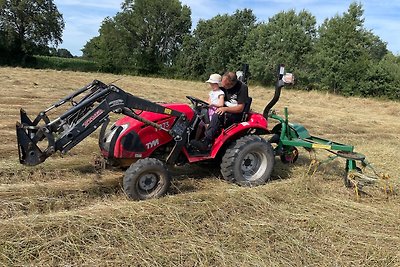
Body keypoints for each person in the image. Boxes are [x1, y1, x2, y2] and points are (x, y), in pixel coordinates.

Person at [191, 71, 249, 151]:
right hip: (221, 108)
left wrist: (225, 109)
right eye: (222, 84)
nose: (223, 86)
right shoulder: (223, 85)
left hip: (234, 113)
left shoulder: (242, 88)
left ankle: (206, 142)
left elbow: (240, 108)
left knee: (217, 114)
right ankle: (191, 136)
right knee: (198, 110)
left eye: (226, 85)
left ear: (232, 83)